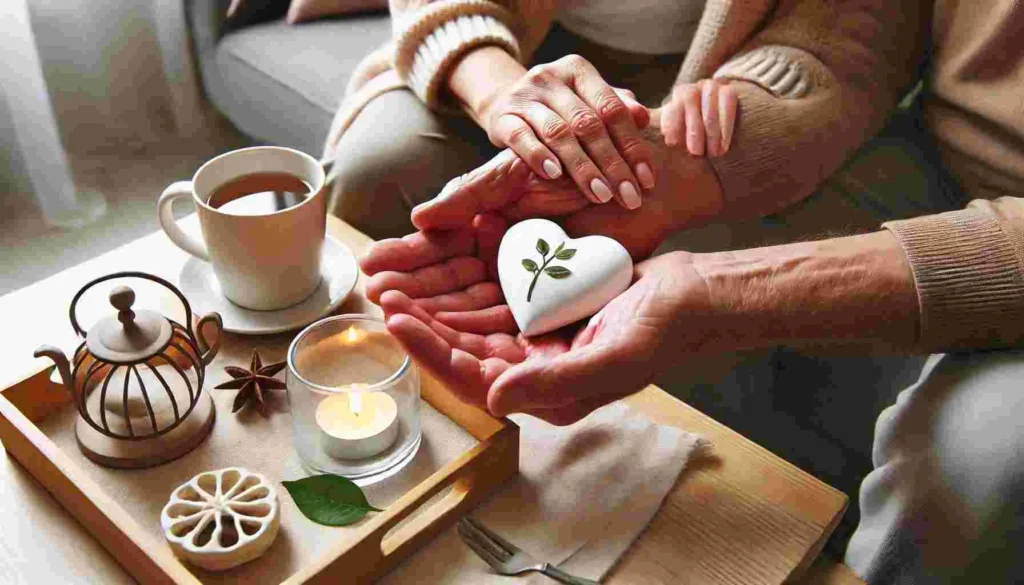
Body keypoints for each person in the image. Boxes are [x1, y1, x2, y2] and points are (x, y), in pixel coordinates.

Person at [358, 0, 1024, 582]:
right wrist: (677, 164)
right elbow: (858, 29)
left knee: (982, 456)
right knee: (664, 239)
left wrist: (721, 293)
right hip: (931, 152)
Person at [320, 0, 757, 239]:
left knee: (618, 212)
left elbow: (810, 40)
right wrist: (497, 93)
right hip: (503, 37)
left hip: (701, 72)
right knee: (374, 171)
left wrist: (746, 81)